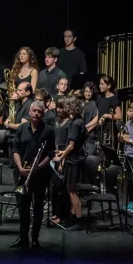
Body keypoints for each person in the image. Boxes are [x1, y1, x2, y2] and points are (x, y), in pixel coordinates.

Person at [10, 100, 54, 249]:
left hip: (40, 175)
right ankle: (23, 237)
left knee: (38, 207)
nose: (36, 114)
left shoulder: (48, 131)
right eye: (34, 111)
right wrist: (20, 167)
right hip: (21, 175)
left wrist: (38, 168)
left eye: (39, 112)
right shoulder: (21, 129)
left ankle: (35, 238)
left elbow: (50, 154)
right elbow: (15, 149)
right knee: (22, 207)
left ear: (42, 114)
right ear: (29, 112)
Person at [53, 96, 87, 231]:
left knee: (72, 191)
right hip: (72, 159)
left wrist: (61, 157)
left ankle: (79, 220)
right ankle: (72, 218)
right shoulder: (77, 121)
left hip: (74, 161)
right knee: (69, 189)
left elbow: (71, 145)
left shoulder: (76, 123)